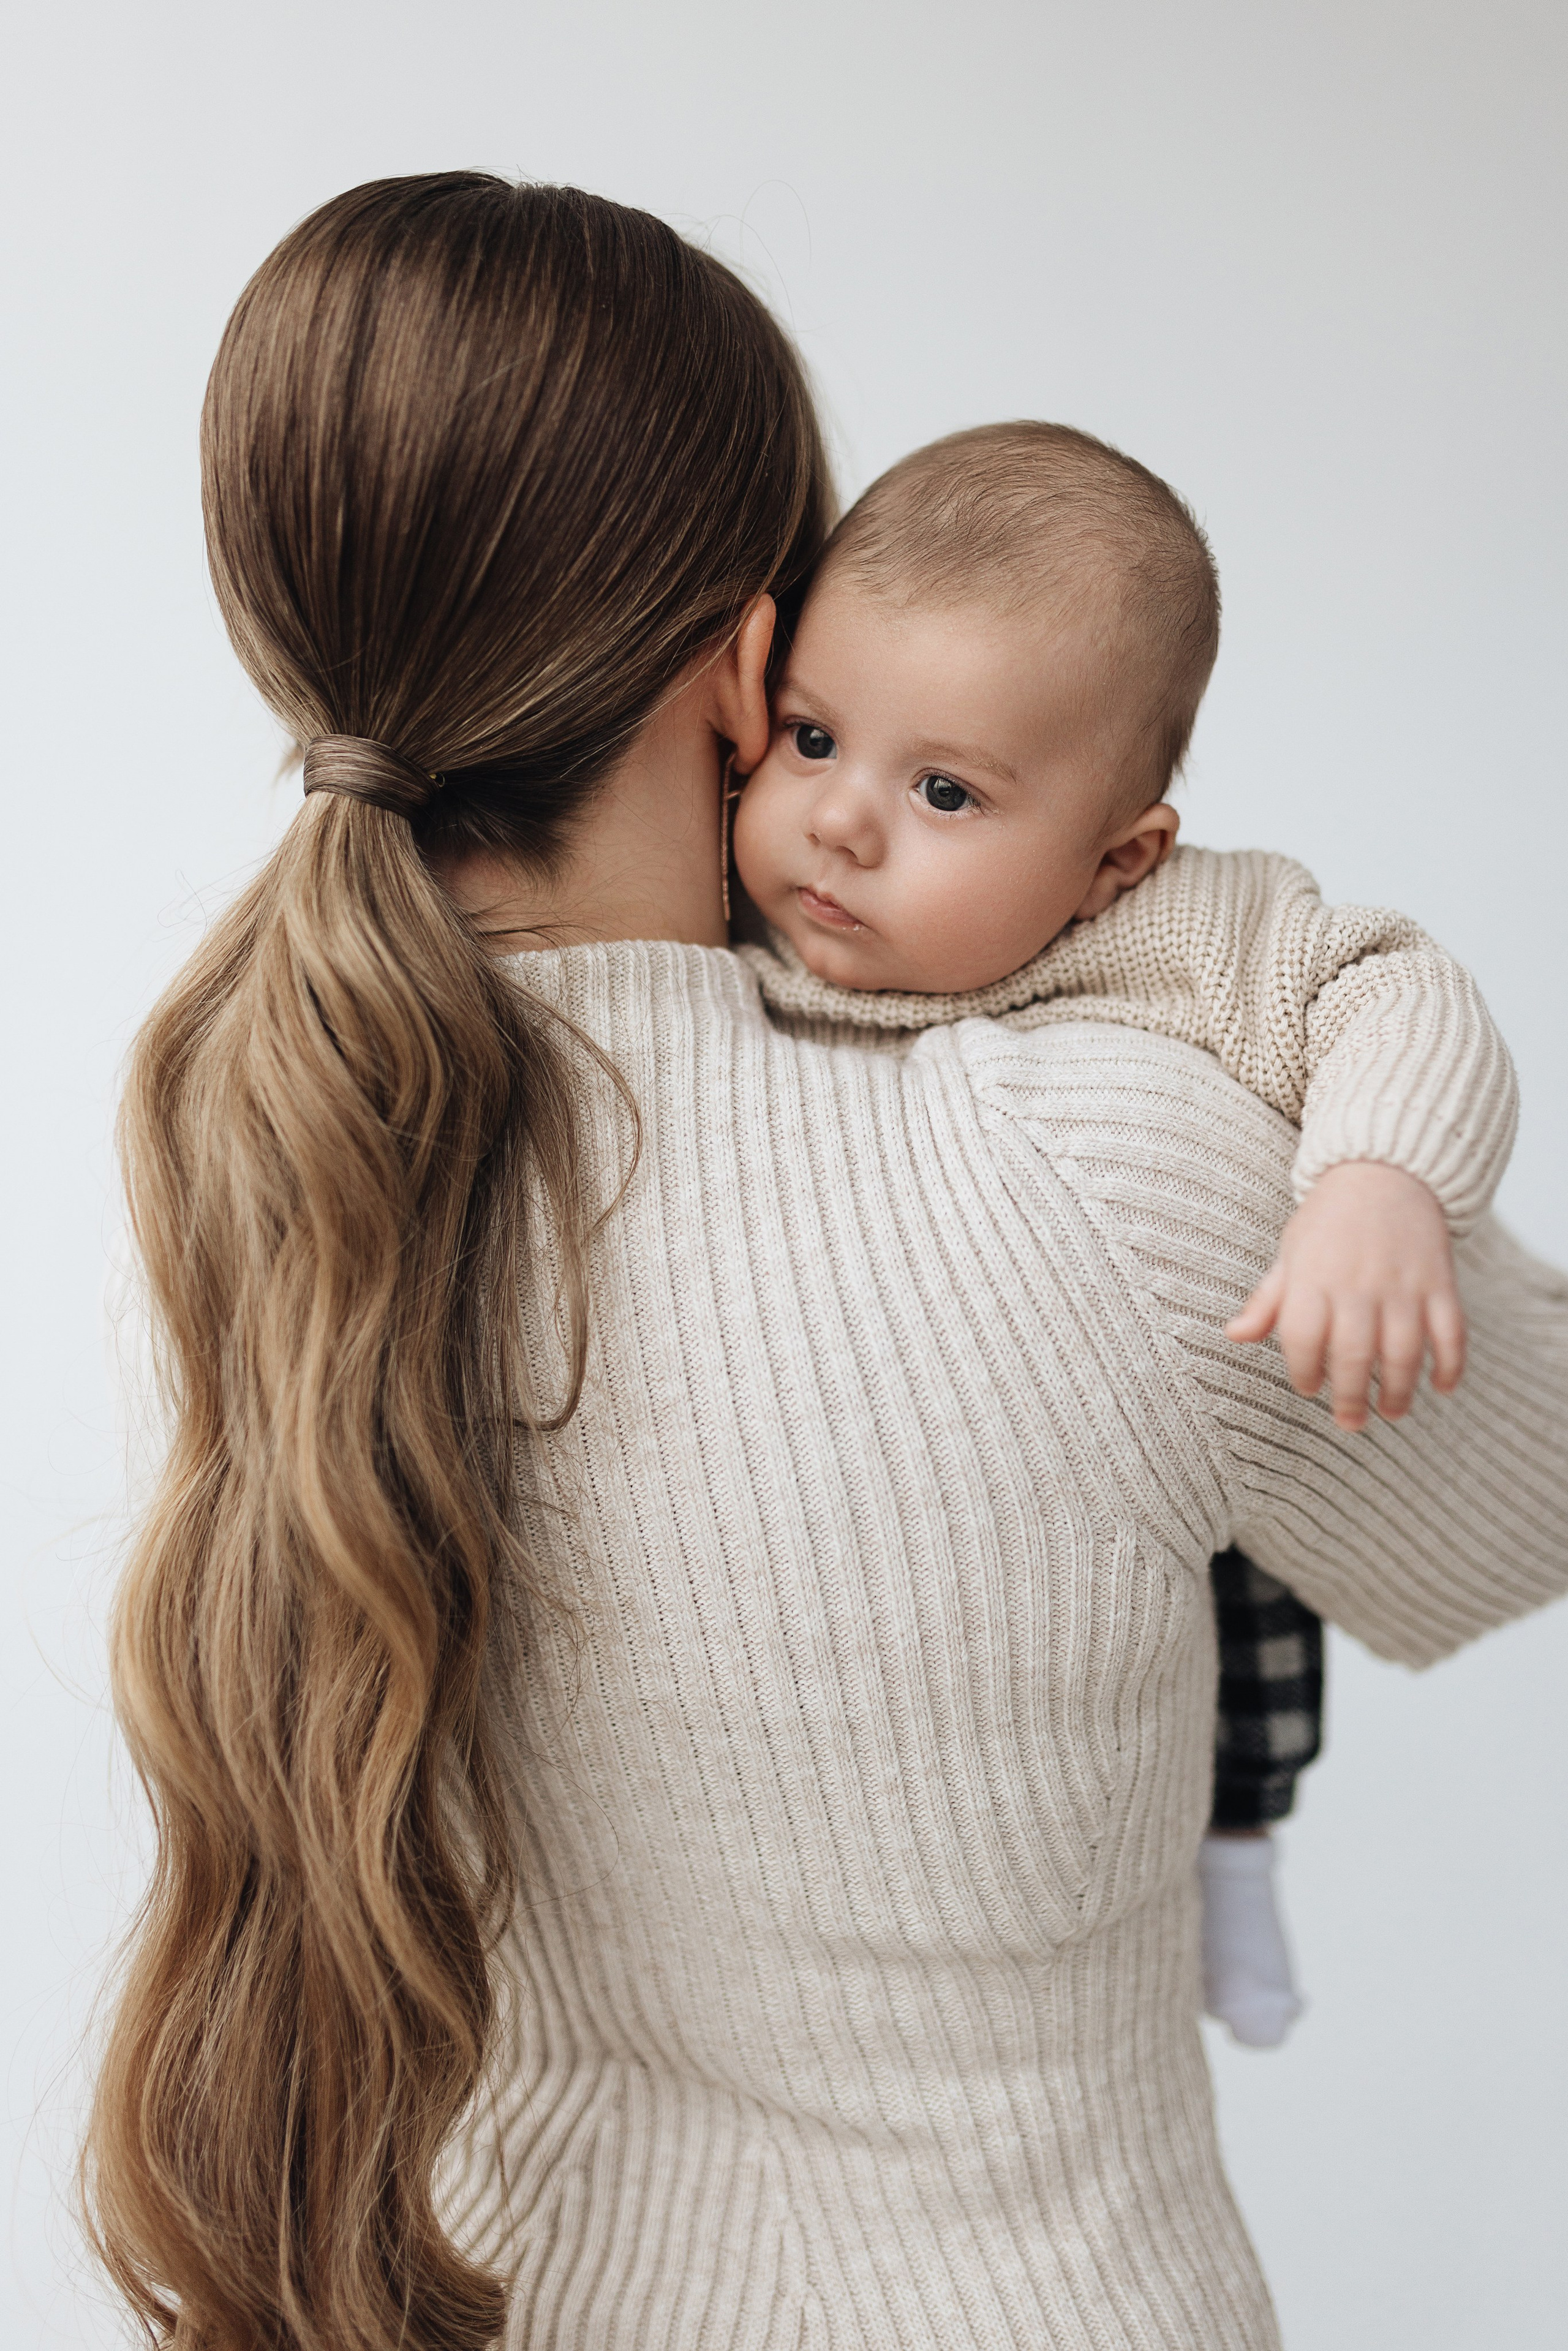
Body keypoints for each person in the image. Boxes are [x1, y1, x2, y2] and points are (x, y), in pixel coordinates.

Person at [88, 172, 1568, 2351]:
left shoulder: (282, 1172)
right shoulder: (1114, 1155)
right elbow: (1523, 1496)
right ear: (745, 649)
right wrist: (1257, 1044)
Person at [729, 420, 1515, 2046]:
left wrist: (1379, 1184)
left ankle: (1238, 1850)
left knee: (1245, 1612)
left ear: (1112, 860)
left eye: (945, 790)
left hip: (1167, 1458)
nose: (843, 825)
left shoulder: (1188, 933)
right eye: (811, 738)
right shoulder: (737, 914)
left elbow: (1396, 992)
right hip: (915, 1538)